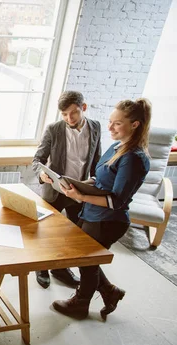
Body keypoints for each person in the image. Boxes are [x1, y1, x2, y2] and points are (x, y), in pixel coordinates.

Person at [52, 98, 151, 320]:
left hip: (109, 221)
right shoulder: (117, 147)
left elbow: (117, 201)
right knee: (87, 258)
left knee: (86, 261)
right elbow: (100, 179)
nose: (110, 127)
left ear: (135, 124)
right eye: (110, 122)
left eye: (117, 123)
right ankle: (109, 291)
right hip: (93, 214)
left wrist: (80, 196)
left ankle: (80, 304)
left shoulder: (133, 158)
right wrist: (74, 184)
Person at [32, 91, 102, 289]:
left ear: (84, 108)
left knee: (74, 233)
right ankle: (42, 267)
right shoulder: (54, 129)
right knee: (46, 231)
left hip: (79, 190)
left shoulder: (95, 127)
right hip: (54, 189)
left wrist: (96, 182)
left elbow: (97, 159)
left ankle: (60, 269)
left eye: (73, 113)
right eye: (64, 114)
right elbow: (37, 160)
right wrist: (42, 175)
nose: (68, 119)